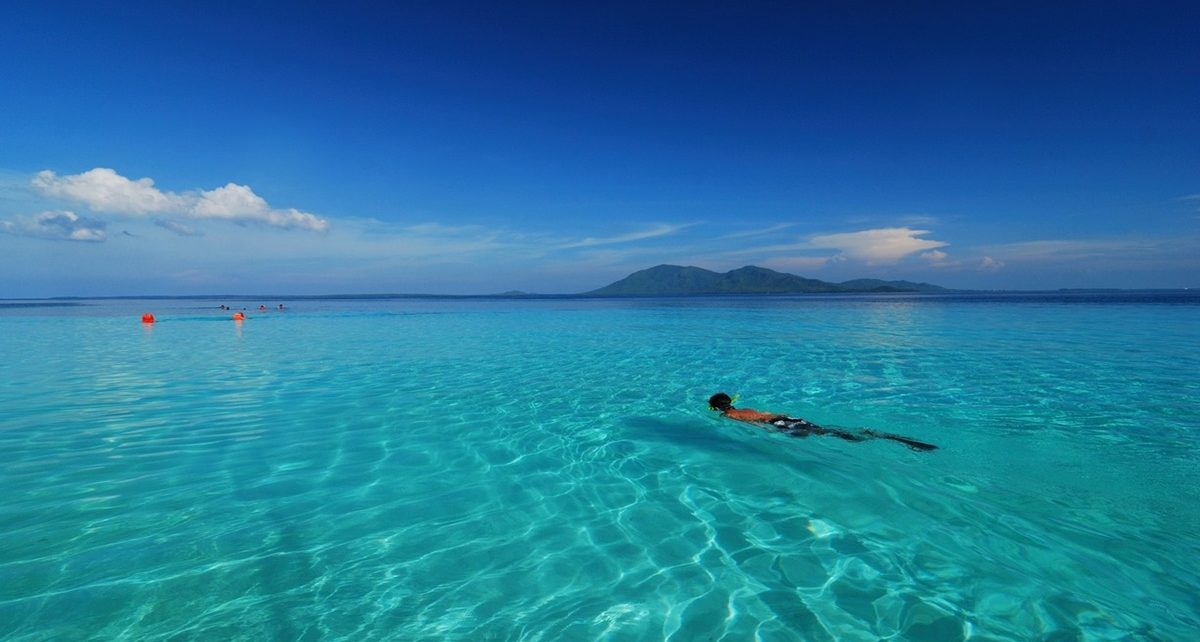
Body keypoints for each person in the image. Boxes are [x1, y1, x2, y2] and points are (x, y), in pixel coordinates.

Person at [708, 392, 938, 451]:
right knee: (824, 430)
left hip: (779, 425)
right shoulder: (747, 408)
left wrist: (772, 434)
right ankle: (882, 435)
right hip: (787, 417)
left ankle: (875, 436)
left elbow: (755, 425)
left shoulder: (728, 416)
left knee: (827, 434)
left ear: (717, 407)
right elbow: (765, 414)